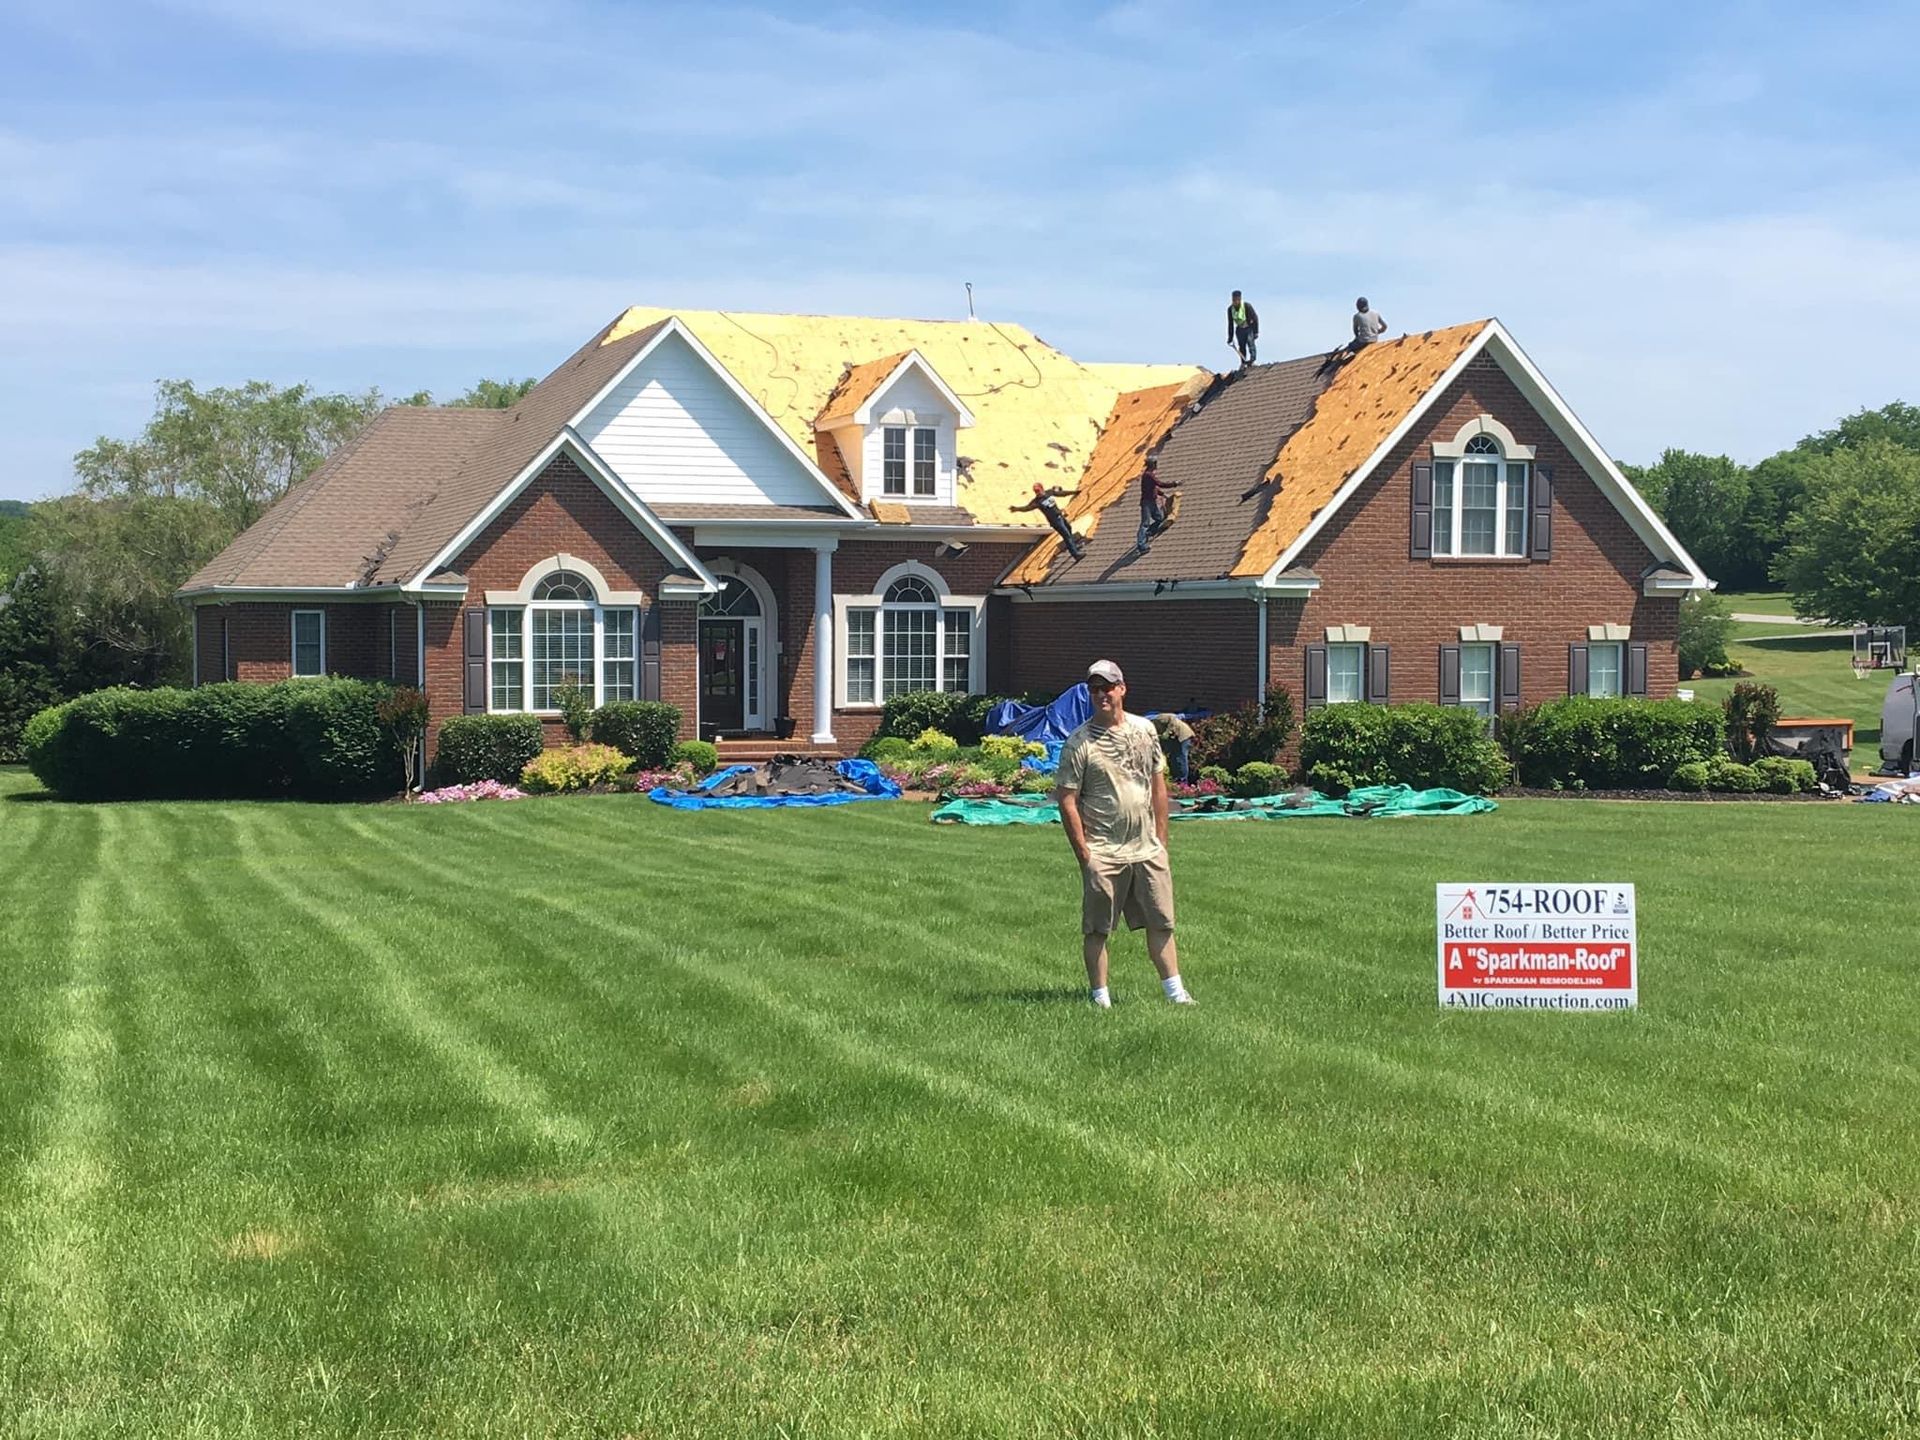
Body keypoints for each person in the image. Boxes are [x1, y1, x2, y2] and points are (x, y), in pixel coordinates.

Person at [1056, 660, 1194, 1008]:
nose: (1101, 694)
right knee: (1098, 929)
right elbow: (1067, 800)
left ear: (1122, 688)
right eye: (1094, 689)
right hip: (1103, 850)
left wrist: (1161, 841)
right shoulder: (1079, 742)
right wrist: (1085, 854)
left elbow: (1157, 784)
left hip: (1147, 848)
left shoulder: (1145, 730)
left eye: (1108, 687)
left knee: (1161, 922)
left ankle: (1175, 993)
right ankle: (1100, 997)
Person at [1010, 482, 1084, 560]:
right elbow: (1027, 508)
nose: (1037, 493)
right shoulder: (1036, 502)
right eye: (1035, 491)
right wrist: (1017, 509)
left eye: (1038, 490)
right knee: (1066, 535)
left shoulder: (1049, 492)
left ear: (1042, 488)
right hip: (1055, 521)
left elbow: (1061, 493)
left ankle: (1074, 546)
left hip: (1060, 516)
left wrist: (1074, 492)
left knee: (1069, 528)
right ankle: (1076, 555)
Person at [1134, 457, 1180, 553]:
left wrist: (1163, 494)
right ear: (1153, 464)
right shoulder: (1148, 475)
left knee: (1159, 518)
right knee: (1145, 523)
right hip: (1146, 503)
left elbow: (1154, 488)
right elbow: (1160, 484)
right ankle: (1141, 546)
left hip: (1152, 502)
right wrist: (1174, 484)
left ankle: (1149, 532)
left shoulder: (1149, 475)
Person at [1152, 710, 1195, 783]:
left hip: (1183, 736)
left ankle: (1183, 781)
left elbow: (1173, 717)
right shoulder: (1155, 731)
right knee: (1174, 759)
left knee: (1181, 758)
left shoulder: (1159, 718)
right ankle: (1177, 779)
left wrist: (1167, 732)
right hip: (1176, 738)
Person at [1226, 290, 1259, 368]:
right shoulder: (1230, 309)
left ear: (1240, 299)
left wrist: (1256, 331)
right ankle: (1243, 362)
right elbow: (1230, 324)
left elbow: (1255, 318)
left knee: (1250, 343)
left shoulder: (1247, 306)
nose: (1235, 302)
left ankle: (1252, 361)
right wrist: (1230, 338)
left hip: (1248, 327)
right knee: (1241, 346)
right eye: (1234, 300)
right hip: (1240, 329)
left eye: (1237, 300)